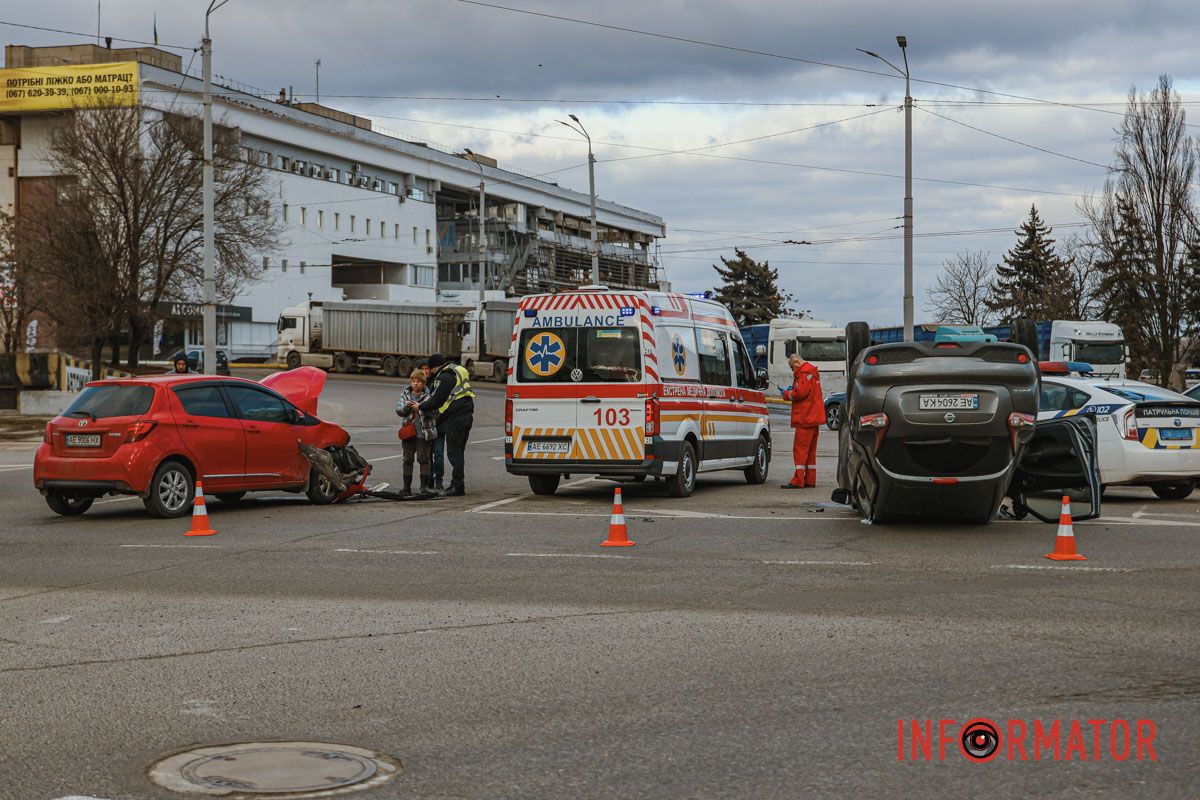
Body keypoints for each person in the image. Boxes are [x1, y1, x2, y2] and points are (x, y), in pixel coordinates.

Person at [411, 353, 475, 497]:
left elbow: (437, 401)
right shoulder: (458, 369)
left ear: (435, 367)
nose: (431, 373)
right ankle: (457, 484)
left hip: (456, 418)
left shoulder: (444, 376)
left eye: (431, 370)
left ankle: (457, 486)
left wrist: (420, 407)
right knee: (459, 451)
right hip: (466, 414)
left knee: (454, 453)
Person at [780, 353, 824, 488]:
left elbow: (800, 393)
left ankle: (798, 480)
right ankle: (810, 480)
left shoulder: (804, 373)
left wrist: (787, 394)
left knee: (800, 450)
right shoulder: (812, 372)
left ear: (797, 363)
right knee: (810, 451)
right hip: (813, 417)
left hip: (805, 417)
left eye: (793, 367)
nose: (793, 371)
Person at [395, 369, 438, 497]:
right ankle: (406, 487)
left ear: (424, 383)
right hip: (408, 434)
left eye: (418, 381)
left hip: (424, 434)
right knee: (407, 459)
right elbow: (398, 410)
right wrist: (407, 406)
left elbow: (435, 413)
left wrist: (421, 407)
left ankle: (424, 487)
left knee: (423, 460)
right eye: (413, 381)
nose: (415, 384)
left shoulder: (430, 397)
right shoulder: (405, 395)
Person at [417, 358, 446, 491]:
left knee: (438, 454)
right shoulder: (417, 385)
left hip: (438, 424)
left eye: (427, 368)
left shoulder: (438, 381)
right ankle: (428, 481)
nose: (425, 371)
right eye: (422, 369)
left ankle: (439, 481)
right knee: (426, 455)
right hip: (425, 427)